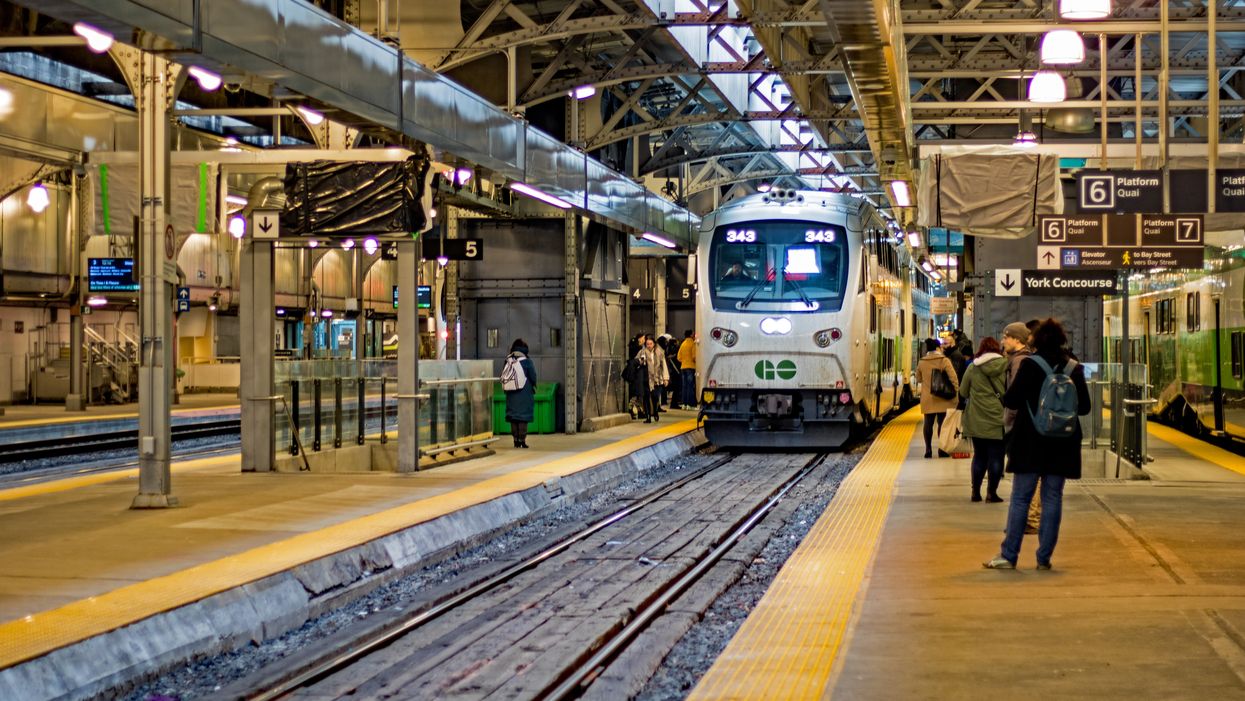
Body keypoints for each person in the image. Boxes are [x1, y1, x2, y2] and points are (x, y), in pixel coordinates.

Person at [984, 318, 1091, 570]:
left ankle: (1009, 556)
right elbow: (1084, 408)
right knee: (1053, 497)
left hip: (1030, 440)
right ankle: (1044, 558)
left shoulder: (1031, 365)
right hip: (1063, 442)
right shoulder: (1074, 367)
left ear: (1035, 340)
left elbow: (1012, 399)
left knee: (1021, 498)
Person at [959, 337, 1007, 503]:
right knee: (996, 456)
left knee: (980, 456)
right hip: (998, 418)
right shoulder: (1005, 366)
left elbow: (963, 392)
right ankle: (991, 493)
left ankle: (975, 493)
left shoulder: (973, 367)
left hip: (976, 418)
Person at [915, 337, 959, 459]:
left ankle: (928, 449)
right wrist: (956, 392)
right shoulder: (944, 360)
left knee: (928, 424)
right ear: (938, 348)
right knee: (942, 424)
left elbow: (918, 379)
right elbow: (953, 378)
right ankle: (942, 449)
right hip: (943, 397)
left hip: (928, 398)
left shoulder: (922, 361)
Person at [502, 339, 538, 449]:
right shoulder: (527, 361)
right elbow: (533, 376)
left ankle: (515, 440)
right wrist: (534, 385)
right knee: (523, 417)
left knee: (514, 417)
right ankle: (522, 440)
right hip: (524, 393)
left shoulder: (508, 360)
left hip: (511, 393)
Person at [635, 334, 669, 424]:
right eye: (647, 344)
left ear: (654, 344)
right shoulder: (642, 352)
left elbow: (664, 365)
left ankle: (656, 411)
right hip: (646, 378)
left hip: (657, 379)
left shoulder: (659, 352)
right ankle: (648, 417)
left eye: (650, 343)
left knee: (655, 397)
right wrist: (641, 362)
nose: (649, 345)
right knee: (646, 398)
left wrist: (666, 378)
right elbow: (636, 361)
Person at [677, 330, 697, 409]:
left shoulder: (683, 344)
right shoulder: (693, 343)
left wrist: (684, 361)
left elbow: (679, 357)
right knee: (690, 386)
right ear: (691, 335)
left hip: (683, 367)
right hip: (690, 367)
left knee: (684, 386)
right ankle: (690, 404)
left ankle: (684, 404)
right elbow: (694, 356)